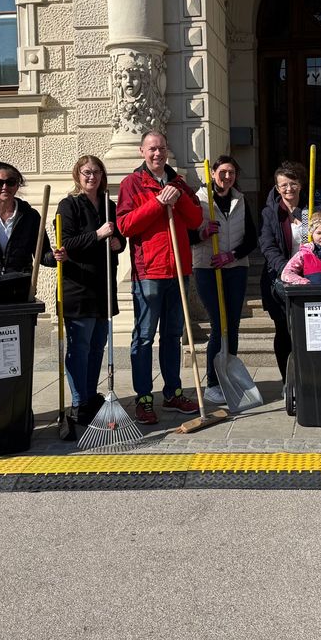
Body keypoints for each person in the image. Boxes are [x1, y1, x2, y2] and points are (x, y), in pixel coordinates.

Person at [115, 130, 203, 425]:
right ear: (142, 151)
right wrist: (157, 203)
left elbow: (196, 220)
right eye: (152, 148)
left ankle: (173, 392)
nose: (157, 153)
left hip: (178, 271)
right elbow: (126, 225)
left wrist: (178, 200)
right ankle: (143, 398)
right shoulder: (132, 183)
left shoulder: (179, 183)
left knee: (173, 335)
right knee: (143, 337)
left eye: (162, 148)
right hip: (149, 272)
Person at [52, 156, 125, 426]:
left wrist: (118, 243)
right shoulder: (68, 205)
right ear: (78, 175)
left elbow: (119, 238)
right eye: (86, 172)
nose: (91, 176)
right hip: (78, 287)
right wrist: (98, 234)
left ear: (102, 175)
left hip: (103, 286)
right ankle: (79, 401)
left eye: (96, 172)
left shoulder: (108, 205)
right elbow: (66, 243)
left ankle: (91, 395)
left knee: (97, 346)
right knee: (79, 347)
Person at [190, 155, 258, 406]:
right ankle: (212, 383)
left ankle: (229, 375)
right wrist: (203, 233)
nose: (227, 177)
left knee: (233, 324)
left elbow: (251, 238)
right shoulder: (199, 199)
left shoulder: (240, 200)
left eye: (232, 173)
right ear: (213, 173)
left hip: (236, 268)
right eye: (223, 172)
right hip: (207, 268)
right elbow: (187, 235)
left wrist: (232, 255)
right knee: (219, 325)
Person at [258, 162, 309, 386]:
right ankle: (288, 380)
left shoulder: (309, 210)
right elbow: (267, 246)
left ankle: (307, 377)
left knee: (305, 331)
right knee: (283, 330)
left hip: (308, 279)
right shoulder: (270, 213)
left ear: (301, 184)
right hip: (278, 280)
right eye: (283, 185)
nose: (289, 189)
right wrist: (287, 270)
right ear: (277, 188)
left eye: (293, 183)